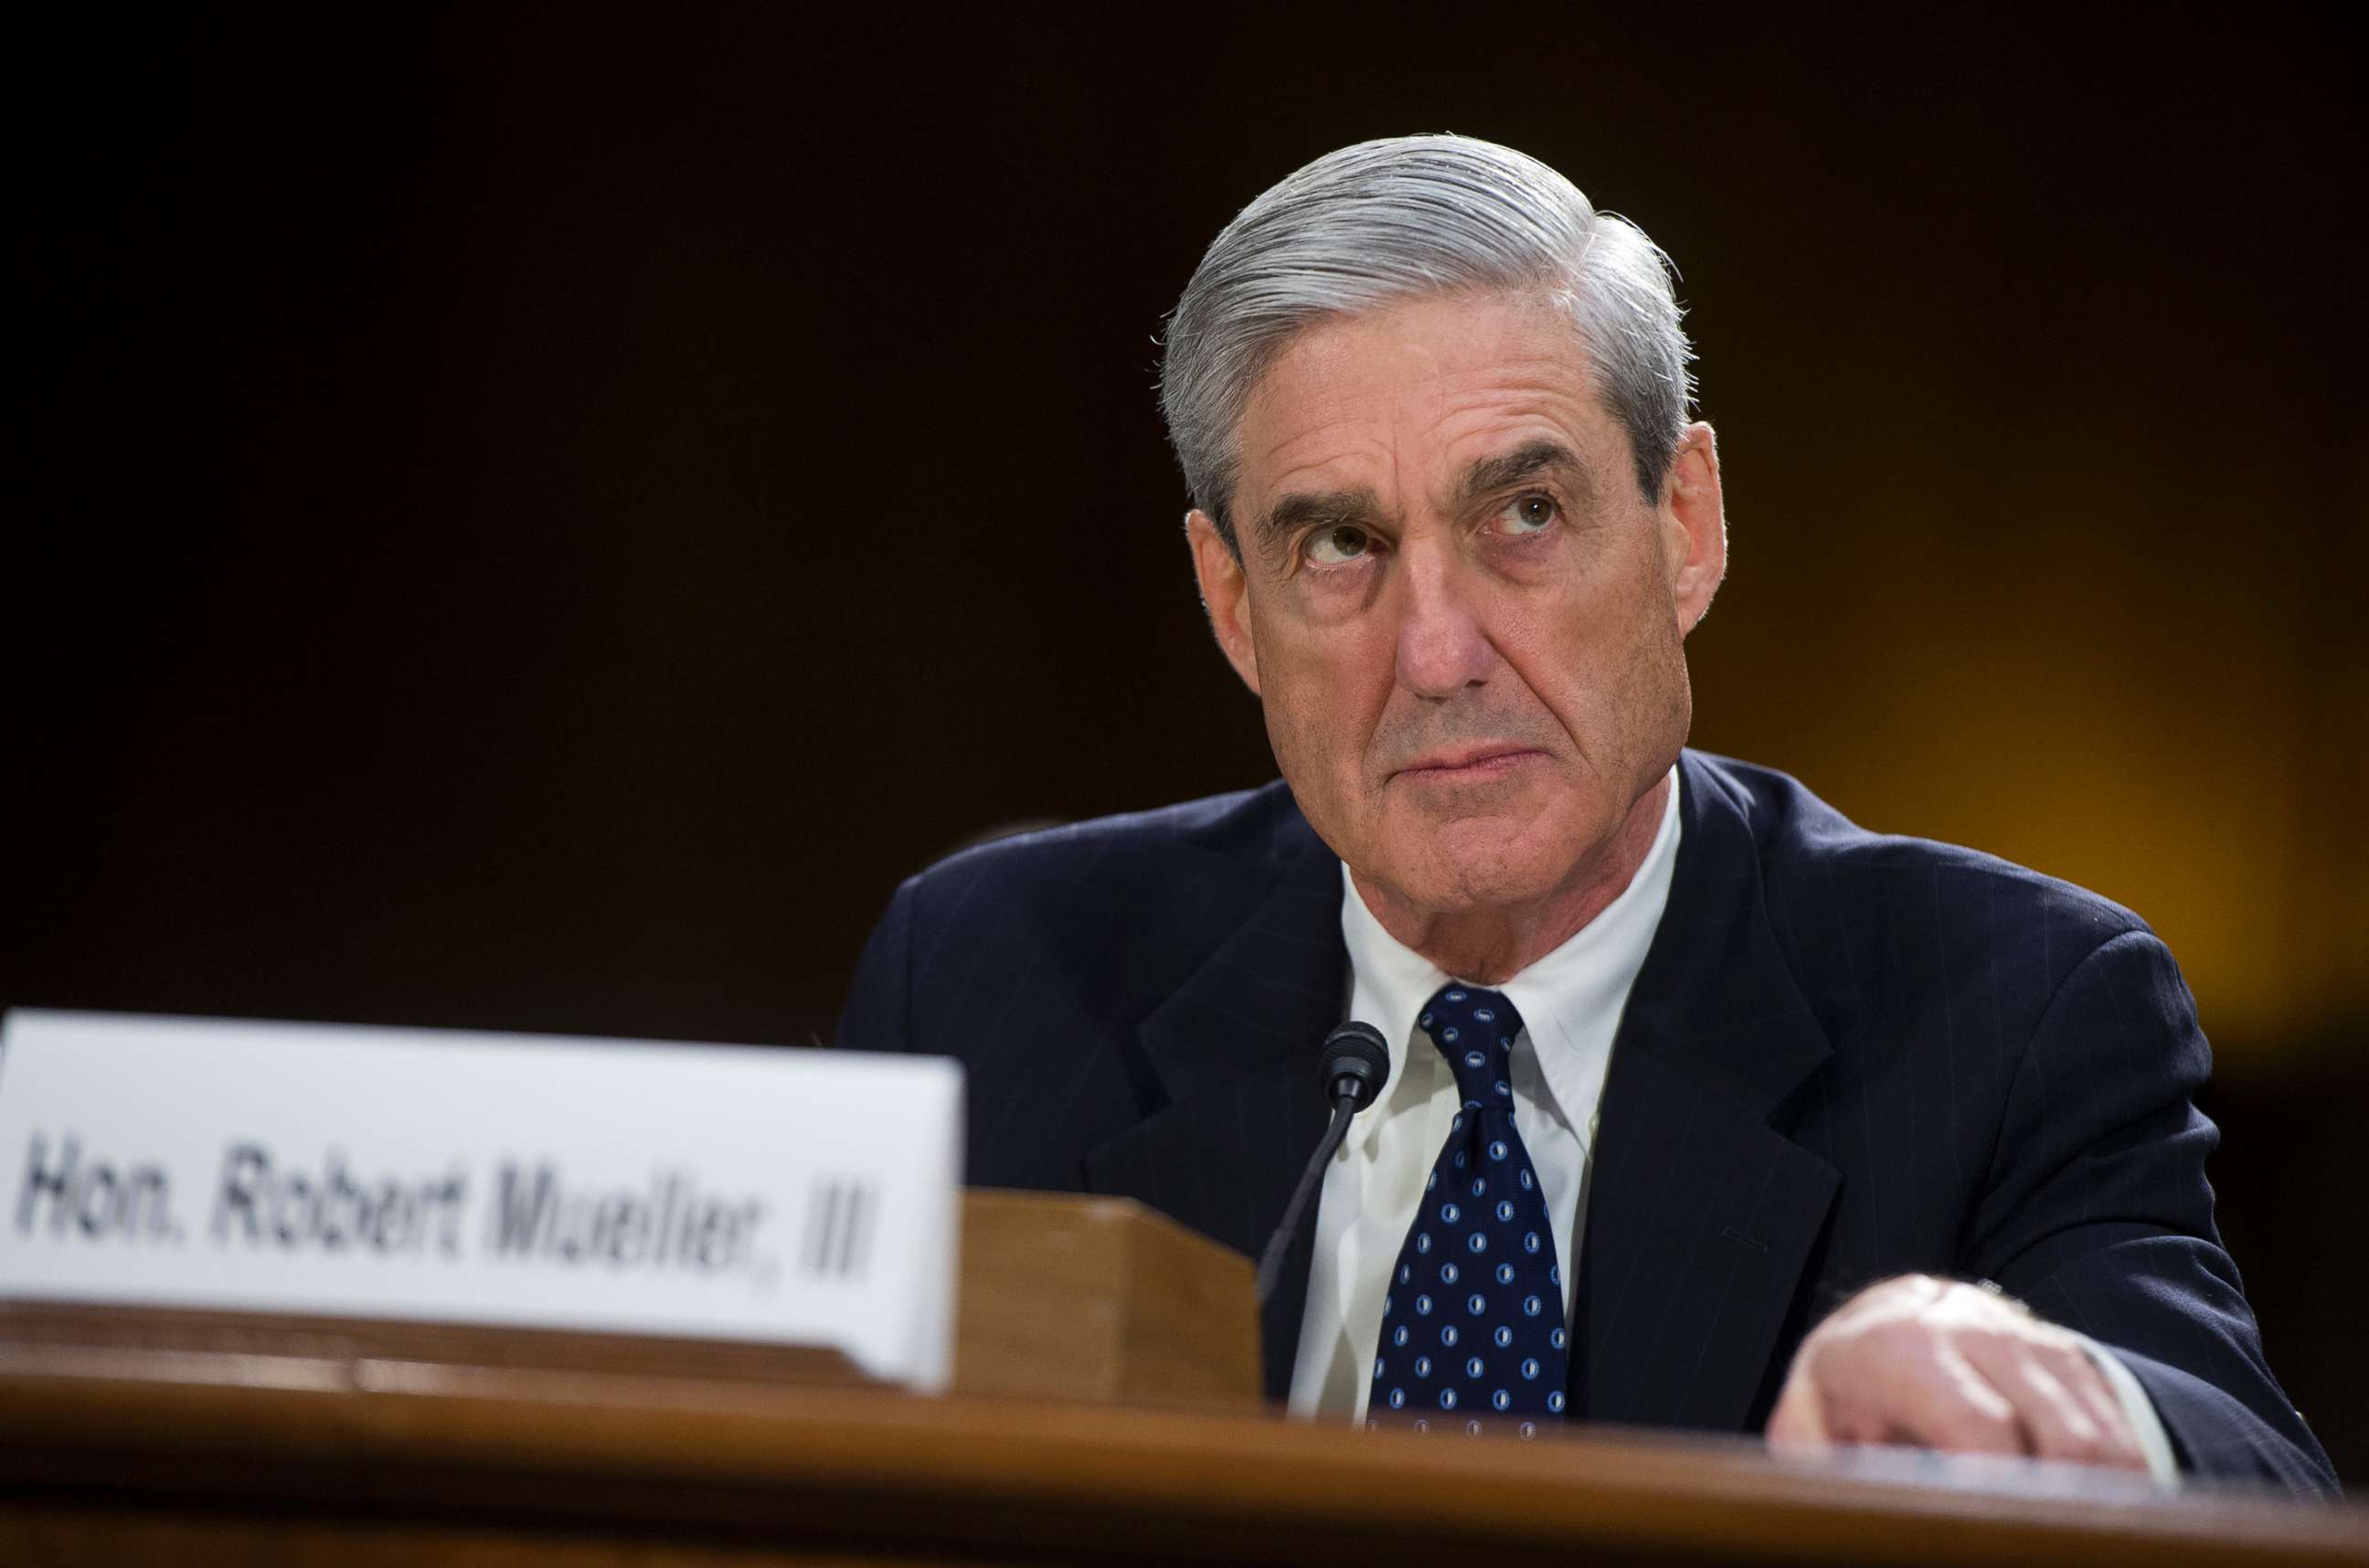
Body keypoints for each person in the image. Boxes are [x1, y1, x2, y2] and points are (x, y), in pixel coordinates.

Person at [835, 135, 2332, 1494]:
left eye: (1525, 517)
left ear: (1685, 526)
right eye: (1341, 545)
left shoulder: (2013, 1008)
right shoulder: (988, 976)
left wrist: (2041, 1386)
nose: (1437, 654)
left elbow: (2249, 1470)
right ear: (1234, 604)